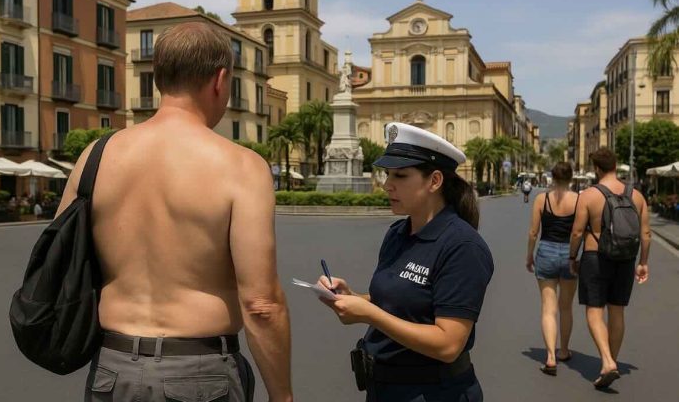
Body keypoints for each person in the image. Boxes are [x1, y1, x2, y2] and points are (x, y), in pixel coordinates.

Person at [55, 23, 292, 402]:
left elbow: (62, 259)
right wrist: (283, 396)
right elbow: (261, 305)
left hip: (112, 372)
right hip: (199, 374)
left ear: (158, 79)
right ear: (220, 80)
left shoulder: (94, 156)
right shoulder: (241, 167)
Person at [318, 122, 494, 402]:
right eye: (387, 174)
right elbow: (398, 302)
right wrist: (353, 297)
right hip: (384, 389)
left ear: (435, 181)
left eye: (400, 175)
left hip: (433, 393)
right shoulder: (398, 233)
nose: (388, 185)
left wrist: (367, 314)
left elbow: (448, 343)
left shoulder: (462, 246)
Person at [569, 148, 650, 389]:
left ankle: (606, 362)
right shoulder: (636, 195)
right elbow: (646, 233)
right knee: (617, 312)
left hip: (595, 257)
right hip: (625, 259)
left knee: (594, 311)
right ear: (615, 166)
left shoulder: (589, 195)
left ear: (596, 169)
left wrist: (573, 256)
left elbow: (576, 232)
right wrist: (643, 262)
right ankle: (611, 360)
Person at [526, 162, 578, 376]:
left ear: (552, 177)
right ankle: (564, 350)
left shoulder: (541, 199)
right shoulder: (579, 199)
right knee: (565, 307)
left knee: (548, 307)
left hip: (545, 251)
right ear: (571, 178)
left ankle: (550, 357)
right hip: (569, 254)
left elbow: (533, 233)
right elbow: (579, 231)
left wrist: (529, 255)